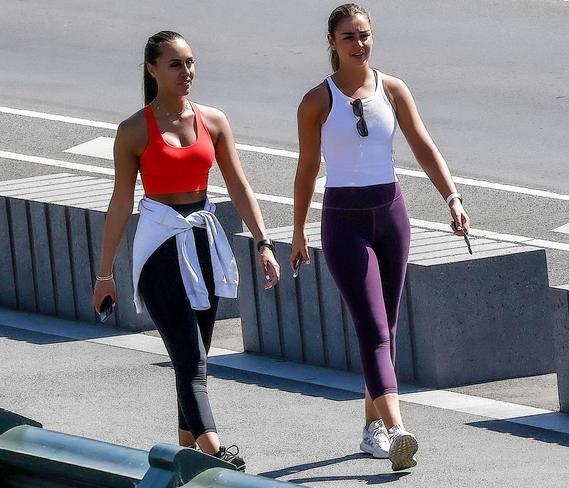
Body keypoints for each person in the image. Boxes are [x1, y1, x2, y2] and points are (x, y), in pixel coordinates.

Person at [290, 4, 471, 471]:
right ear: (332, 43)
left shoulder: (392, 89)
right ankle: (398, 430)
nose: (359, 44)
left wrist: (452, 199)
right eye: (349, 37)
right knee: (371, 328)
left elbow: (422, 144)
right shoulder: (317, 101)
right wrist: (296, 231)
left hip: (390, 214)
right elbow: (308, 168)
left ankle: (372, 426)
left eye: (365, 35)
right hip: (343, 220)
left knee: (387, 327)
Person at [92, 31, 280, 471]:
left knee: (194, 356)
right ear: (152, 69)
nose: (186, 72)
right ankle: (218, 456)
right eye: (175, 64)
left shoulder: (212, 121)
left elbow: (238, 184)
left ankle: (185, 455)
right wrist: (105, 274)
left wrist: (264, 242)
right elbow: (121, 201)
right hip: (159, 246)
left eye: (190, 62)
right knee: (190, 360)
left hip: (202, 243)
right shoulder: (134, 130)